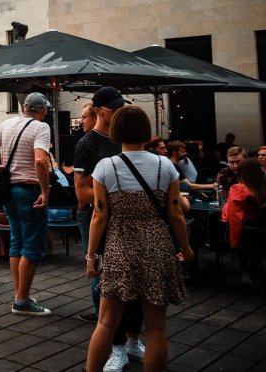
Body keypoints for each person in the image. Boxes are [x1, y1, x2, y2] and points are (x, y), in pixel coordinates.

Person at [85, 106, 193, 372]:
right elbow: (176, 213)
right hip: (158, 245)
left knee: (107, 322)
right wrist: (186, 247)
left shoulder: (105, 166)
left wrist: (91, 256)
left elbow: (99, 216)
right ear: (146, 131)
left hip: (120, 245)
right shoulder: (165, 165)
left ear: (116, 131)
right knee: (156, 327)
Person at [0, 92, 53, 317]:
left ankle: (19, 294)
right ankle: (21, 301)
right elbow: (41, 160)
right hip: (29, 190)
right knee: (32, 245)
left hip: (9, 190)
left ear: (24, 107)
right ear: (42, 110)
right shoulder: (41, 127)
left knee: (16, 242)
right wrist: (45, 189)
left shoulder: (8, 123)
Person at [73, 90, 125, 325]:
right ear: (101, 111)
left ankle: (114, 313)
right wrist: (119, 197)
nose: (119, 113)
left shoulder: (120, 139)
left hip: (118, 214)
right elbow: (82, 191)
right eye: (115, 109)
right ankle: (100, 313)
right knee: (98, 262)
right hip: (95, 213)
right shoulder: (86, 144)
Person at [221, 159, 266, 278]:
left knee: (241, 231)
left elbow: (234, 217)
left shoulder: (239, 190)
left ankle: (244, 270)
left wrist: (234, 243)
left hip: (250, 238)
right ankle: (255, 266)